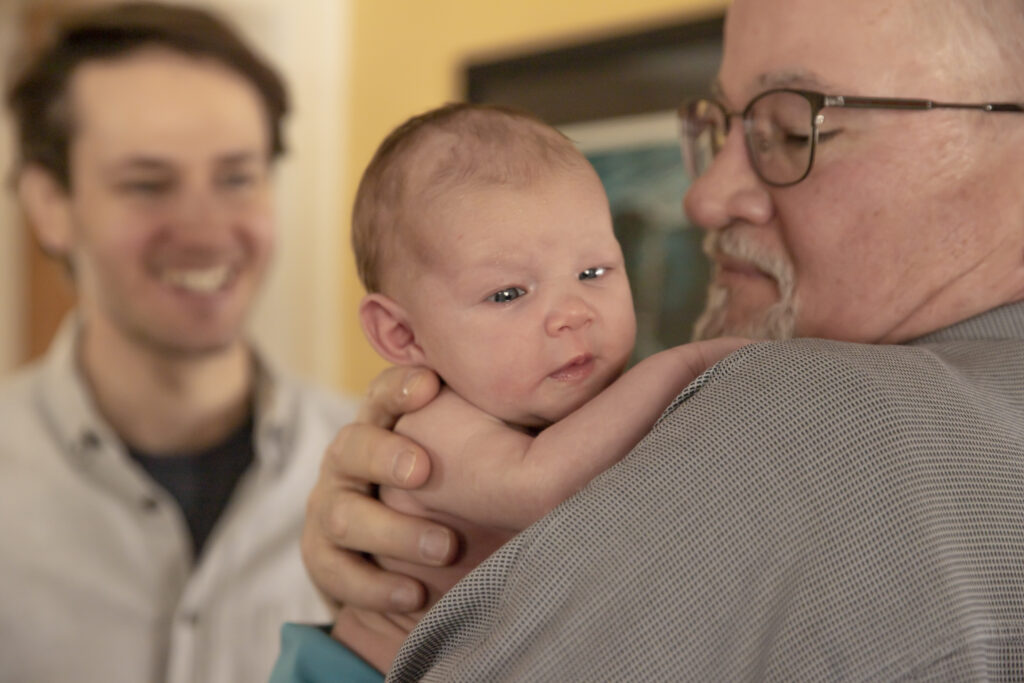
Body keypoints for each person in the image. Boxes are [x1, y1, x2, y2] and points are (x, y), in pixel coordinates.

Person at [282, 0, 1024, 679]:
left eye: (797, 129)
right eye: (719, 125)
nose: (700, 196)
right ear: (399, 330)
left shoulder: (806, 407)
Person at [0, 4, 357, 682]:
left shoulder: (393, 482)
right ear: (50, 205)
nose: (204, 229)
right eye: (147, 184)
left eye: (236, 177)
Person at [331, 102, 745, 670]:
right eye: (508, 294)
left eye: (593, 273)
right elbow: (540, 486)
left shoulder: (572, 413)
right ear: (402, 334)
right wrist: (687, 364)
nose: (571, 313)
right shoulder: (432, 424)